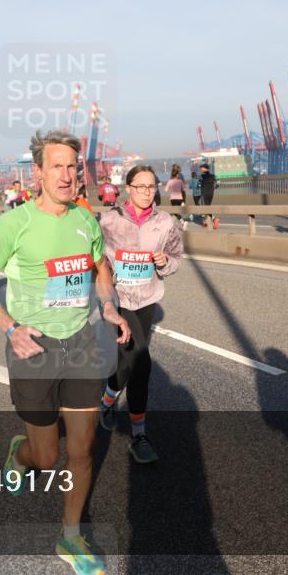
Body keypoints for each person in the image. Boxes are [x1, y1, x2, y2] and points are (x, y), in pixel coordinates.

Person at [0, 131, 130, 575]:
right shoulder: (14, 224)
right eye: (56, 166)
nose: (66, 175)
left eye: (72, 167)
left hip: (80, 343)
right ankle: (21, 452)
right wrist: (10, 327)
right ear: (37, 173)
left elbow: (100, 266)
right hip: (33, 348)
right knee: (47, 457)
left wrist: (110, 306)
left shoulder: (85, 220)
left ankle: (70, 534)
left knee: (82, 449)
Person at [98, 165, 183, 463]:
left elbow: (176, 257)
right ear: (128, 188)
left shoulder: (165, 221)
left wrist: (164, 262)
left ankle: (106, 402)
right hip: (116, 299)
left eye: (151, 187)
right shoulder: (108, 220)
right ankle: (139, 436)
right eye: (141, 186)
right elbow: (94, 257)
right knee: (140, 362)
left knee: (125, 366)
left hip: (146, 299)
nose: (147, 192)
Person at [199, 164, 219, 228]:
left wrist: (200, 186)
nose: (201, 169)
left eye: (202, 168)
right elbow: (218, 182)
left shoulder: (201, 176)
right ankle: (207, 223)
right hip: (211, 193)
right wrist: (215, 187)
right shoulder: (213, 175)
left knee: (204, 208)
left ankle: (214, 218)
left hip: (204, 193)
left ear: (205, 168)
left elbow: (198, 184)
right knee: (208, 207)